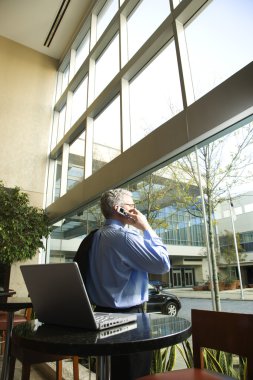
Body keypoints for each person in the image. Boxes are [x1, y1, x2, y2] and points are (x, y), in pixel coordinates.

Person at [86, 188, 170, 380]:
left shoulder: (95, 237)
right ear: (119, 209)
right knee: (133, 373)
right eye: (132, 206)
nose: (136, 210)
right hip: (128, 323)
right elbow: (163, 263)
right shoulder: (124, 237)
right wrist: (146, 227)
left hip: (99, 317)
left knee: (109, 373)